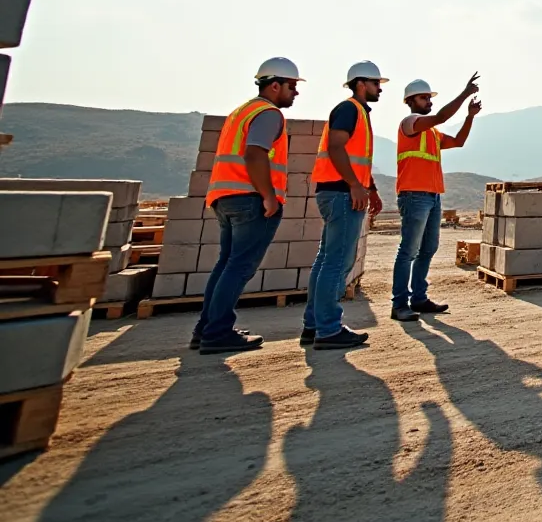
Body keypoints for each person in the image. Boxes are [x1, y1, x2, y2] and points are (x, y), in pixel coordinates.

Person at [193, 57, 302, 355]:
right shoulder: (269, 114)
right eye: (292, 86)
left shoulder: (240, 112)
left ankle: (206, 329)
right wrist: (268, 195)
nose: (296, 92)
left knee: (226, 264)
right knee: (239, 267)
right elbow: (255, 154)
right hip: (251, 199)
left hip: (225, 197)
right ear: (275, 85)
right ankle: (217, 332)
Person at [302, 60, 386, 351]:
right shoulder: (349, 109)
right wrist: (354, 185)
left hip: (340, 192)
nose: (380, 89)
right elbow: (335, 148)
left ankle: (314, 325)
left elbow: (354, 156)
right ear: (361, 84)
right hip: (341, 194)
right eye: (377, 84)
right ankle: (328, 329)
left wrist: (370, 188)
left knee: (326, 260)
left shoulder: (359, 113)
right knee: (337, 262)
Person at [391, 74, 481, 321]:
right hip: (414, 195)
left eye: (430, 97)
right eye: (424, 97)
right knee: (408, 250)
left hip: (432, 196)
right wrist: (464, 93)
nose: (428, 101)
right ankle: (399, 304)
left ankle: (418, 298)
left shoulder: (432, 133)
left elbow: (459, 142)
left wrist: (470, 117)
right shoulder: (410, 122)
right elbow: (441, 116)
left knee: (428, 248)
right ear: (410, 101)